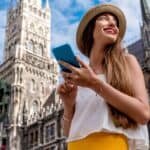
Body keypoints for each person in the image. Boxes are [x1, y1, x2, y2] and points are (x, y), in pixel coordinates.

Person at [57, 4, 150, 150]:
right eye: (104, 18)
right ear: (90, 30)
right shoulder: (80, 76)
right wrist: (68, 105)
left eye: (115, 22)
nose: (113, 23)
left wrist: (94, 84)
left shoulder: (127, 62)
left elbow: (144, 114)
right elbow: (70, 133)